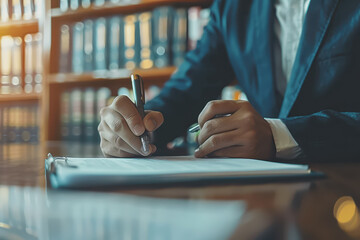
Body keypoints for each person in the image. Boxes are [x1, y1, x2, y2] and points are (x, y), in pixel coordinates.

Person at [98, 0, 360, 162]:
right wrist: (139, 127)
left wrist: (278, 136)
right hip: (267, 197)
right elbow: (187, 89)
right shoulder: (232, 6)